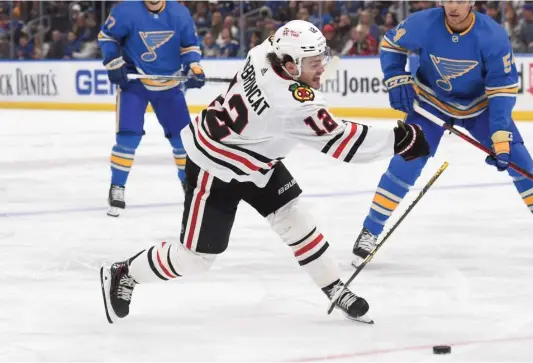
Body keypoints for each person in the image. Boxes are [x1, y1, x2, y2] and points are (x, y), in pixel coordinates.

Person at [100, 20, 429, 324]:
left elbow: (284, 57)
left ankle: (333, 288)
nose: (323, 67)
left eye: (321, 59)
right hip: (216, 165)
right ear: (290, 65)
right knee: (196, 259)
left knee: (295, 218)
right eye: (314, 63)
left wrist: (310, 78)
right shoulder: (293, 104)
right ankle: (124, 272)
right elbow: (342, 142)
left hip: (257, 158)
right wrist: (400, 139)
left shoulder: (261, 54)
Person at [353, 0, 533, 268]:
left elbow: (502, 91)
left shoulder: (492, 35)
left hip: (480, 106)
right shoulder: (423, 23)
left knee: (519, 161)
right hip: (429, 104)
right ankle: (371, 230)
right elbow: (392, 44)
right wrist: (395, 77)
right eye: (449, 0)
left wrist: (500, 138)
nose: (454, 6)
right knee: (405, 163)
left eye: (460, 0)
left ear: (472, 2)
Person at [98, 0, 206, 217]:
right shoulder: (126, 10)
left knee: (182, 140)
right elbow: (107, 36)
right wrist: (113, 61)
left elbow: (189, 46)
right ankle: (117, 187)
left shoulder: (180, 13)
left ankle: (189, 187)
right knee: (128, 137)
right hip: (134, 82)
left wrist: (194, 67)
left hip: (170, 85)